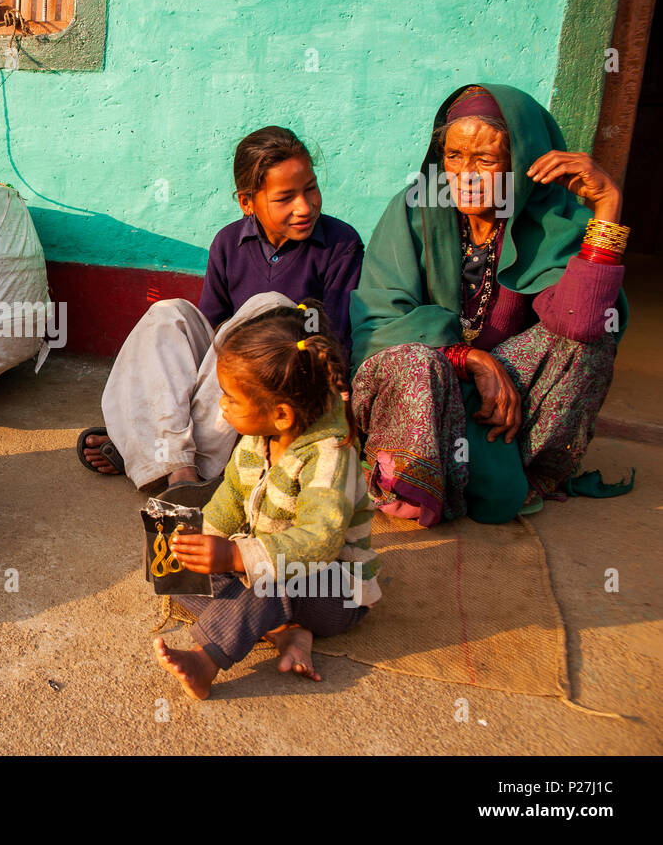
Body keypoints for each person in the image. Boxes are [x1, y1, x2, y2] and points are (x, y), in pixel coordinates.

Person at [349, 84, 629, 527]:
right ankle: (410, 473)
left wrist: (608, 210)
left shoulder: (552, 219)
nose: (466, 174)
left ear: (522, 162)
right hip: (431, 383)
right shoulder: (415, 209)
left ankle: (521, 470)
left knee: (593, 341)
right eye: (455, 156)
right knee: (410, 360)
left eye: (486, 159)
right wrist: (467, 357)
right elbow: (377, 323)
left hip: (505, 400)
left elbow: (582, 321)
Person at [78, 126, 364, 503]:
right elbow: (214, 332)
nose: (305, 206)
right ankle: (179, 468)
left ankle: (158, 455)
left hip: (290, 383)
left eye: (311, 188)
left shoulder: (341, 244)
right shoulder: (229, 242)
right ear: (248, 203)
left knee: (270, 307)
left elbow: (332, 341)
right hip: (228, 386)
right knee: (168, 314)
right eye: (285, 197)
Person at [152, 301, 381, 700]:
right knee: (175, 575)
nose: (222, 404)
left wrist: (234, 558)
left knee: (271, 584)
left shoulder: (328, 454)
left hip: (332, 587)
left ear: (281, 415)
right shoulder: (259, 437)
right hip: (266, 563)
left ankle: (208, 659)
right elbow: (232, 496)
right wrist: (202, 544)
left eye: (231, 399)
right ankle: (284, 631)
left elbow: (319, 542)